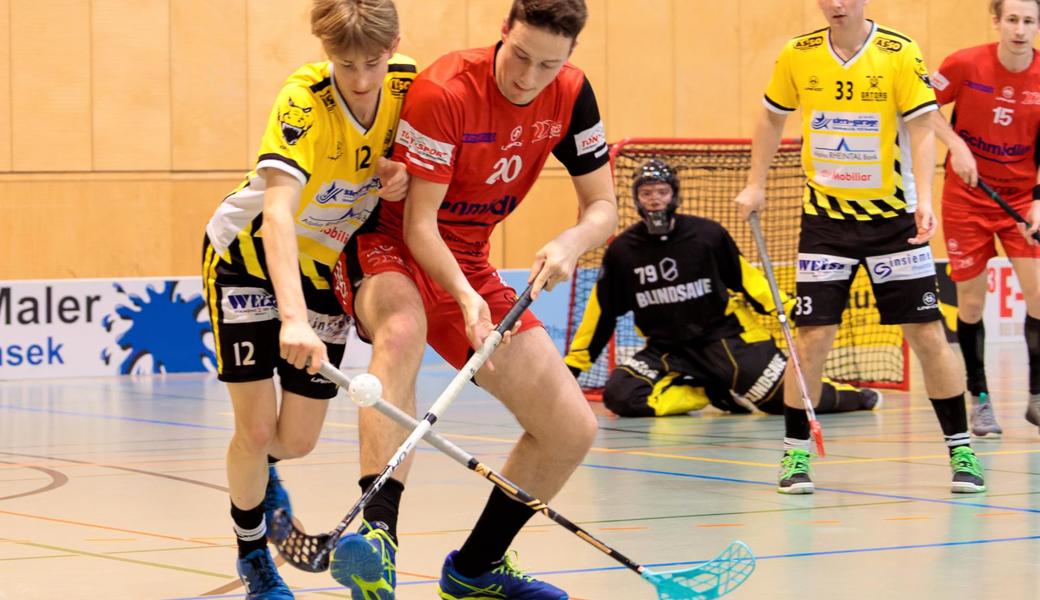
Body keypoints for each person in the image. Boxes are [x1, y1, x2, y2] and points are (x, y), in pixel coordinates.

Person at [330, 1, 617, 597]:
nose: (527, 78)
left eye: (548, 64)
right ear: (502, 32)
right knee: (403, 330)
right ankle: (378, 539)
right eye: (519, 57)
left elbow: (603, 208)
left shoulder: (572, 93)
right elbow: (417, 225)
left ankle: (475, 570)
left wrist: (573, 240)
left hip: (469, 261)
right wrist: (465, 298)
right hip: (391, 247)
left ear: (569, 57)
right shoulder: (446, 92)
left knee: (570, 429)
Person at [201, 1, 416, 598]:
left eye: (373, 62)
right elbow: (275, 214)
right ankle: (254, 560)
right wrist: (292, 319)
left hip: (323, 264)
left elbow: (426, 171)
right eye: (345, 65)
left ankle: (258, 477)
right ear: (326, 53)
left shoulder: (409, 86)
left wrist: (402, 176)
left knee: (295, 440)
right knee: (254, 428)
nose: (361, 79)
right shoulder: (303, 100)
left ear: (395, 43)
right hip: (245, 260)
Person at [734, 0, 986, 495]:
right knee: (810, 339)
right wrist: (755, 183)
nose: (837, 4)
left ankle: (961, 448)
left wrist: (925, 199)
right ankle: (795, 455)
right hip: (826, 222)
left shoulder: (898, 51)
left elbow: (920, 126)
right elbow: (770, 117)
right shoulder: (798, 53)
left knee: (928, 335)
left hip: (894, 221)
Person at [565, 159, 882, 418]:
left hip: (726, 339)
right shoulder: (622, 251)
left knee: (780, 400)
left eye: (661, 191)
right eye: (647, 193)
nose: (654, 199)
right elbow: (601, 312)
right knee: (621, 396)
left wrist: (787, 307)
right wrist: (575, 365)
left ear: (675, 195)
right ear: (635, 199)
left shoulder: (707, 235)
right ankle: (710, 391)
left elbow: (747, 279)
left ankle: (855, 397)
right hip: (667, 349)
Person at [927, 0, 1040, 437]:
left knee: (1039, 297)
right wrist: (955, 143)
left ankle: (1035, 399)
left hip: (1019, 200)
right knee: (971, 304)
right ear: (996, 21)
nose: (1019, 29)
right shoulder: (964, 63)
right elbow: (921, 106)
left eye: (1028, 21)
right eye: (1011, 19)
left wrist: (1038, 201)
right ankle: (982, 400)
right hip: (968, 198)